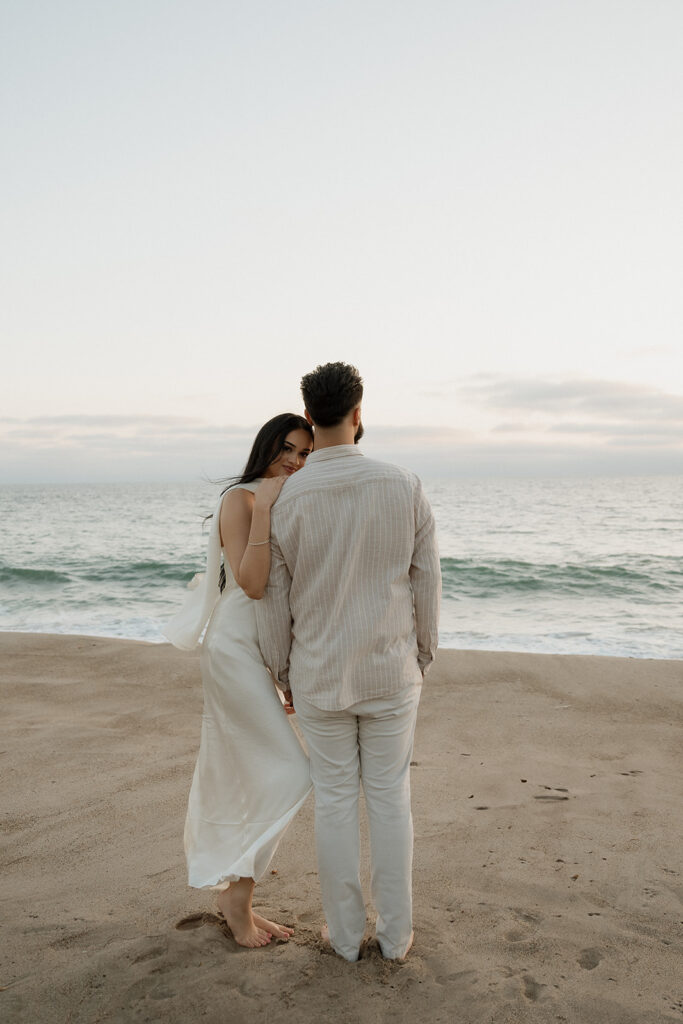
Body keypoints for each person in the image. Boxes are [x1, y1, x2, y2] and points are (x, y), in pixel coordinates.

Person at [256, 363, 441, 962]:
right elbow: (425, 584)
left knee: (335, 801)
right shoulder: (403, 485)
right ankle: (395, 939)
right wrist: (422, 657)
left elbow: (274, 602)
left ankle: (341, 940)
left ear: (309, 415)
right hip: (391, 673)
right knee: (390, 799)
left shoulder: (287, 500)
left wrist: (282, 673)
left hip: (318, 675)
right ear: (359, 413)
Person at [164, 414, 313, 948]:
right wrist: (268, 506)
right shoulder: (242, 500)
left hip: (260, 648)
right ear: (268, 446)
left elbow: (285, 597)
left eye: (305, 455)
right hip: (231, 648)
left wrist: (286, 670)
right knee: (292, 772)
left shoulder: (283, 500)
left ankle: (238, 894)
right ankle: (236, 898)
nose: (295, 462)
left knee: (254, 772)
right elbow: (251, 585)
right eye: (289, 449)